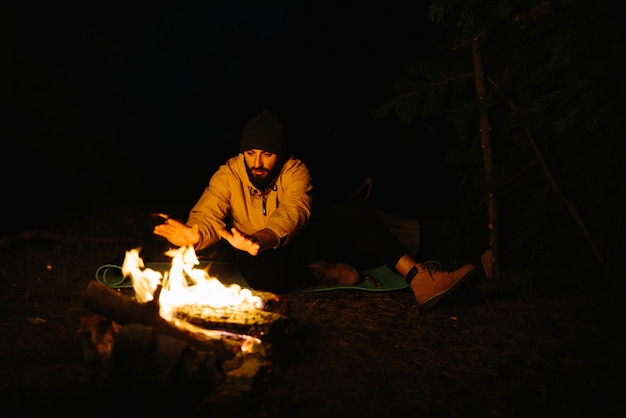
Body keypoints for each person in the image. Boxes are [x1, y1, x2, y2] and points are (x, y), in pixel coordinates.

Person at [153, 109, 477, 312]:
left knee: (351, 210)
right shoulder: (230, 174)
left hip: (297, 240)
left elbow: (296, 212)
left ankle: (419, 277)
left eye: (266, 154)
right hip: (259, 254)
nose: (257, 163)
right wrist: (195, 234)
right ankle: (318, 272)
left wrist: (265, 237)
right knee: (263, 277)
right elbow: (208, 212)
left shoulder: (296, 170)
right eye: (250, 153)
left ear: (279, 153)